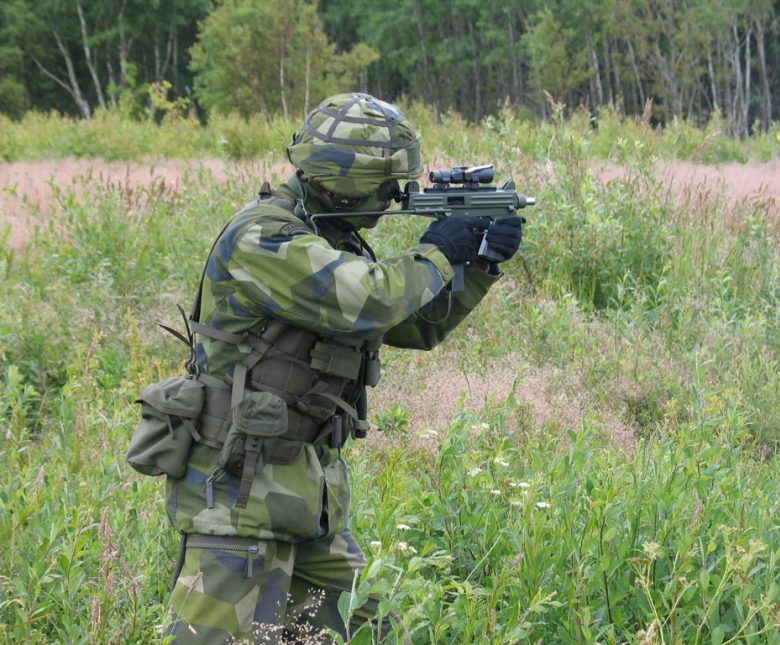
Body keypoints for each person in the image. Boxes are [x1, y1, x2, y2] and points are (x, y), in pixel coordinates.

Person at [164, 93, 523, 643]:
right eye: (387, 185)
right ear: (341, 178)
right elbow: (367, 301)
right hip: (237, 503)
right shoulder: (264, 237)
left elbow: (412, 326)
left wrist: (477, 265)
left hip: (307, 503)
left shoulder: (333, 238)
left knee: (376, 631)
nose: (396, 197)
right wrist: (434, 252)